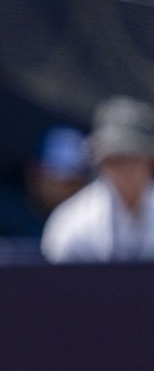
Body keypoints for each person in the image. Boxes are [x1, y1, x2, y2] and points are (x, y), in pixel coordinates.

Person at [41, 96, 154, 261]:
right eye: (115, 160)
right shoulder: (71, 223)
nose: (125, 170)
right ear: (100, 162)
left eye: (133, 157)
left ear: (149, 160)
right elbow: (57, 283)